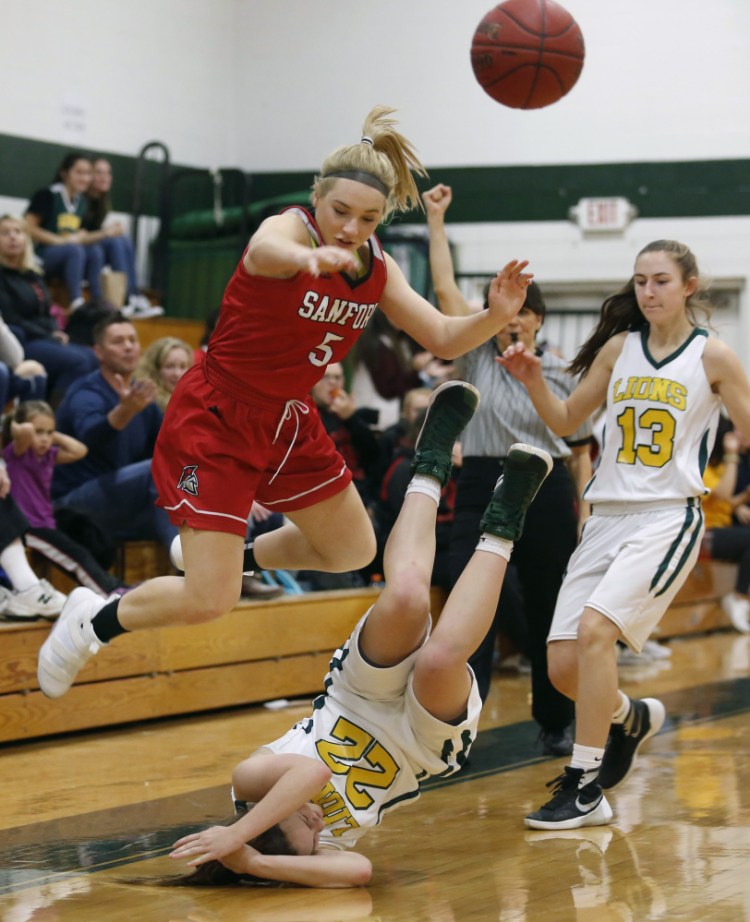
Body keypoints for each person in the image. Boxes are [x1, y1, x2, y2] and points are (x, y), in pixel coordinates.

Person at [36, 106, 534, 700]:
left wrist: (495, 316)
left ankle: (235, 556)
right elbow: (261, 254)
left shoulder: (377, 266)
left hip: (287, 417)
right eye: (341, 212)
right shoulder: (290, 230)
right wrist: (305, 259)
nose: (351, 228)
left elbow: (443, 337)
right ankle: (93, 620)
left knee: (352, 546)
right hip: (217, 415)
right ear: (316, 197)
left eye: (369, 218)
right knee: (208, 601)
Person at [164, 388, 553, 888]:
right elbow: (360, 871)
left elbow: (310, 776)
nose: (318, 824)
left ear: (260, 815)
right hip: (418, 746)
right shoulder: (312, 853)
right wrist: (256, 863)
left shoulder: (248, 782)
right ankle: (504, 522)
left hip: (354, 700)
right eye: (313, 835)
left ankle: (430, 463)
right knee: (440, 659)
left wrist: (237, 834)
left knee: (409, 596)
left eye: (303, 821)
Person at [498, 239, 750, 829]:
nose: (648, 291)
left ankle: (584, 788)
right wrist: (535, 380)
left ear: (689, 286)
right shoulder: (619, 348)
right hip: (607, 516)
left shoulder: (713, 356)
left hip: (667, 516)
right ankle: (630, 717)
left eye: (660, 280)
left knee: (593, 633)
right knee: (563, 666)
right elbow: (566, 422)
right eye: (639, 281)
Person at [423, 183, 593, 757]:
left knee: (551, 606)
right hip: (481, 483)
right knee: (473, 611)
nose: (512, 324)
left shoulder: (566, 371)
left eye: (523, 316)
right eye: (504, 315)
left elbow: (579, 442)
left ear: (539, 320)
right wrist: (438, 220)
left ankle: (556, 721)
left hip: (546, 487)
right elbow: (445, 290)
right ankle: (460, 727)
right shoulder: (476, 354)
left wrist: (585, 512)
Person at [49, 312, 178, 561]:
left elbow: (168, 447)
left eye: (132, 339)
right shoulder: (86, 392)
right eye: (118, 341)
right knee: (155, 470)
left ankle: (235, 567)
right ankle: (186, 566)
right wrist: (124, 411)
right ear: (98, 351)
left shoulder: (141, 396)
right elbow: (89, 437)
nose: (128, 346)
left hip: (118, 499)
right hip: (73, 504)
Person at [3, 399, 128, 598]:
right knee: (77, 556)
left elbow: (80, 450)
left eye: (49, 432)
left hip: (46, 522)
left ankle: (111, 585)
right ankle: (110, 591)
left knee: (84, 543)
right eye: (39, 432)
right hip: (27, 526)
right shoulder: (18, 453)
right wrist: (19, 425)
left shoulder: (49, 455)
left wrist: (52, 436)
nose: (45, 439)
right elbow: (23, 432)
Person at [0, 215, 99, 403]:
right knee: (77, 362)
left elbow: (47, 311)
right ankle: (53, 420)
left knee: (92, 357)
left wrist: (55, 330)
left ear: (26, 238)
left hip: (43, 336)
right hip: (20, 341)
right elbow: (10, 318)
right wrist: (48, 335)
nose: (13, 237)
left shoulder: (32, 274)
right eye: (5, 233)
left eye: (18, 232)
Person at [84, 157, 164, 319]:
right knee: (114, 241)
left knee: (123, 239)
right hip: (84, 249)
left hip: (93, 245)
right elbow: (80, 234)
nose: (104, 177)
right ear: (89, 176)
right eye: (98, 173)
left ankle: (134, 295)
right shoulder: (82, 199)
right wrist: (107, 232)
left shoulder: (102, 201)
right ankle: (128, 297)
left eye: (108, 173)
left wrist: (111, 230)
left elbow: (95, 231)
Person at [24, 154, 106, 311]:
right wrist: (61, 241)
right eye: (79, 172)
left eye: (88, 173)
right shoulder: (47, 195)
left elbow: (79, 235)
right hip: (41, 255)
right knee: (74, 250)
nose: (84, 178)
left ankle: (97, 300)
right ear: (64, 173)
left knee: (95, 250)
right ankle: (76, 301)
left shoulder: (82, 202)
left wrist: (105, 233)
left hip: (67, 256)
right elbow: (29, 228)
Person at [700, 417, 750, 633]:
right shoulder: (703, 465)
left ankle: (740, 599)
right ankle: (738, 597)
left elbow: (726, 503)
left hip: (722, 531)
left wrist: (741, 501)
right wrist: (731, 454)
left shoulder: (720, 465)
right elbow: (722, 494)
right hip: (702, 535)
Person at [135, 336, 194, 412]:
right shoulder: (147, 404)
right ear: (155, 370)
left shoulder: (194, 401)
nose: (177, 373)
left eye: (182, 367)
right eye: (169, 366)